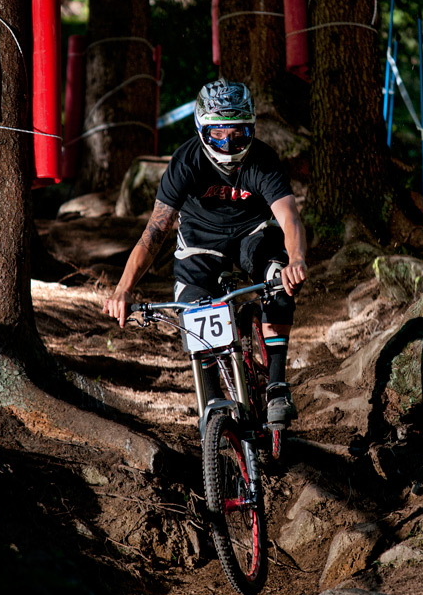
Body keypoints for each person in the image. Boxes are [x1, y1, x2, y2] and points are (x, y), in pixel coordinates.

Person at [103, 77, 307, 424]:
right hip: (200, 239)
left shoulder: (263, 160)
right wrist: (124, 288)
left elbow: (289, 218)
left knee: (278, 281)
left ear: (252, 129)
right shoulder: (185, 162)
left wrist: (297, 260)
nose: (228, 144)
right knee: (192, 307)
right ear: (201, 131)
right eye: (218, 134)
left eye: (238, 134)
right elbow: (155, 231)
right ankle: (213, 404)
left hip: (253, 232)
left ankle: (276, 385)